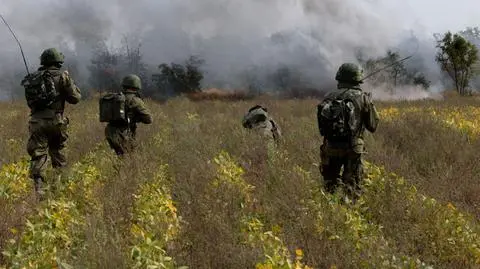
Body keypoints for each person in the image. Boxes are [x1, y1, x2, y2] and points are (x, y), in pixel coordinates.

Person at [24, 48, 82, 195]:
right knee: (58, 154)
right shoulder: (62, 77)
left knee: (39, 155)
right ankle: (60, 189)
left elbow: (30, 103)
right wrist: (68, 83)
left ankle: (40, 192)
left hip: (37, 122)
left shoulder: (34, 78)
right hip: (57, 122)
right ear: (58, 62)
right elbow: (75, 98)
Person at [317, 63, 379, 199]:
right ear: (358, 79)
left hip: (330, 146)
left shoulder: (329, 96)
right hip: (353, 148)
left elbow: (321, 126)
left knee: (329, 186)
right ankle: (348, 214)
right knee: (352, 187)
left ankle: (329, 212)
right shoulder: (363, 97)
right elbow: (373, 126)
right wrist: (370, 103)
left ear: (339, 77)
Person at [105, 74, 152, 156]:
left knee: (120, 156)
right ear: (136, 85)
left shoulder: (116, 97)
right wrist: (137, 118)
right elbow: (148, 119)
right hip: (124, 133)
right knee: (130, 158)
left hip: (110, 132)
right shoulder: (135, 100)